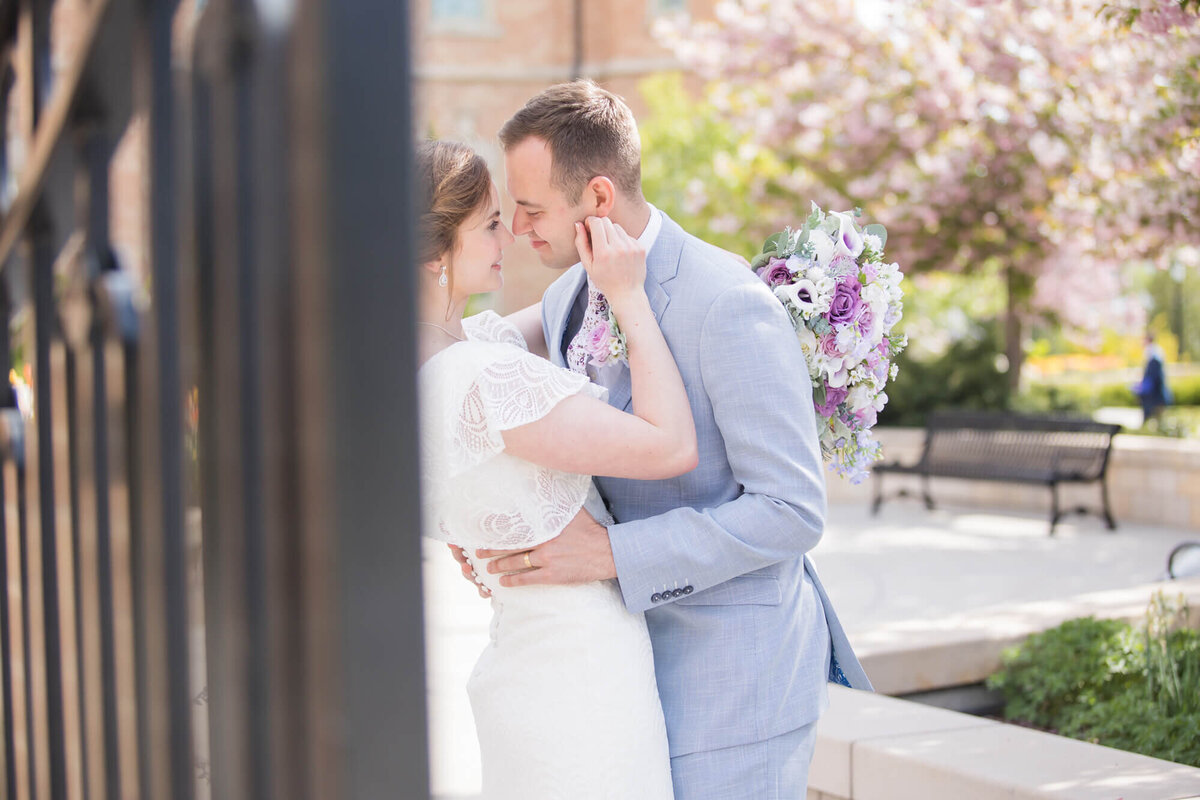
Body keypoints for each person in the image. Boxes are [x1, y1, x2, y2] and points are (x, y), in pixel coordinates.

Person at [458, 81, 874, 798]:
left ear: (596, 197)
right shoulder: (564, 297)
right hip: (623, 674)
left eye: (530, 210)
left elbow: (792, 508)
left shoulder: (728, 303)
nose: (520, 230)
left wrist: (611, 554)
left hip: (735, 677)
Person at [416, 140, 692, 798]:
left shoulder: (437, 362)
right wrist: (630, 298)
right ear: (432, 257)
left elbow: (551, 314)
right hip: (582, 676)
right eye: (488, 223)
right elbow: (670, 446)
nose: (509, 233)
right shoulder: (480, 376)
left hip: (527, 667)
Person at [1133, 332, 1172, 426]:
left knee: (1154, 413)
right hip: (1155, 391)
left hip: (1154, 392)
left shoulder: (1153, 353)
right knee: (1156, 415)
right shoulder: (1154, 352)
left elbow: (1152, 376)